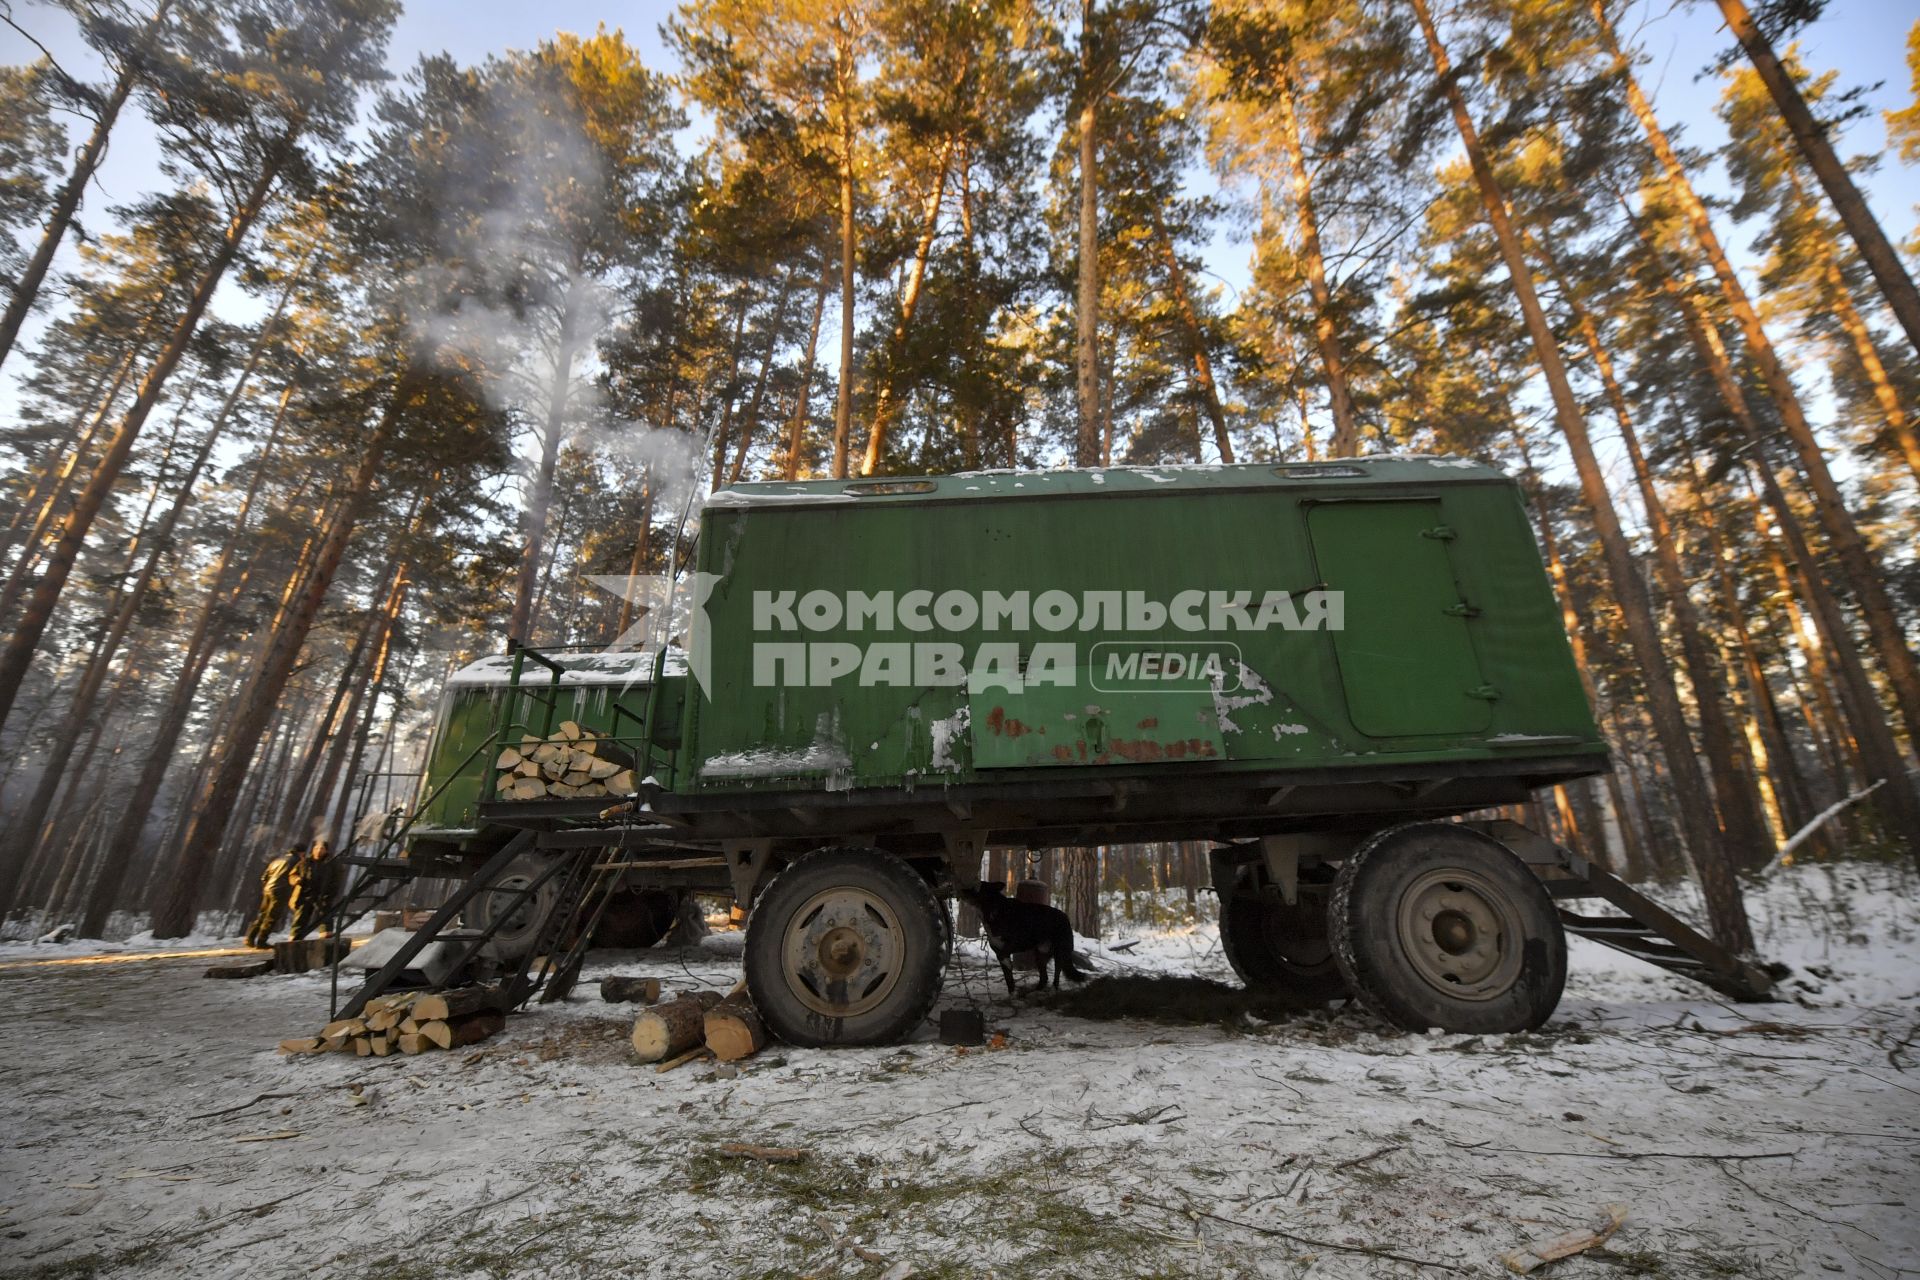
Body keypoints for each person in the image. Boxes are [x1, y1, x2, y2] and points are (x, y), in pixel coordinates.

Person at [287, 837, 341, 941]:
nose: (318, 851)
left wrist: (331, 893)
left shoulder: (332, 863)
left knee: (325, 917)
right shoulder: (304, 862)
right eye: (316, 848)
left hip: (323, 895)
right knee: (300, 917)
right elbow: (292, 875)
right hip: (305, 895)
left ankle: (326, 938)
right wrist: (296, 880)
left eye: (321, 848)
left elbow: (337, 879)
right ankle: (295, 938)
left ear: (326, 850)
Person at [244, 847, 299, 948]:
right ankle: (261, 941)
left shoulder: (278, 860)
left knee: (262, 915)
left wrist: (267, 887)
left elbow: (264, 877)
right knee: (272, 917)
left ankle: (250, 937)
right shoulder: (296, 861)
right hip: (280, 891)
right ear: (301, 853)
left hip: (268, 889)